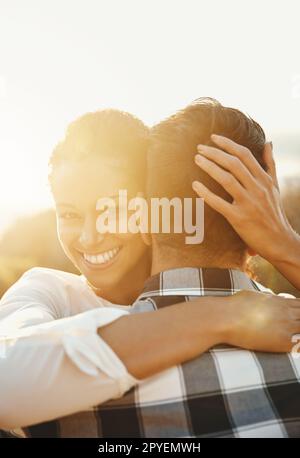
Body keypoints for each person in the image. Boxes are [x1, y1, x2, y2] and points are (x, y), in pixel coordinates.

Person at [0, 105, 299, 435]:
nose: (90, 236)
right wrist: (221, 316)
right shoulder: (51, 295)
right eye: (69, 214)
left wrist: (283, 243)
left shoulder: (272, 313)